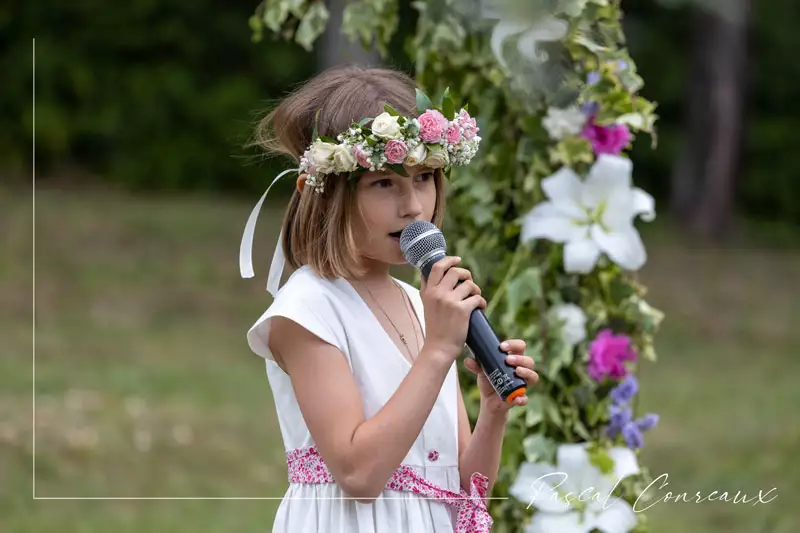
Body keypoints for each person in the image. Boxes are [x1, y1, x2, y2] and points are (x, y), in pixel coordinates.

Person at [238, 65, 539, 533]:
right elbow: (359, 475)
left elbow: (460, 485)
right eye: (385, 184)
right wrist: (439, 350)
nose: (414, 206)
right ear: (330, 195)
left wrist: (492, 414)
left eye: (424, 178)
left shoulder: (422, 305)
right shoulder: (306, 311)